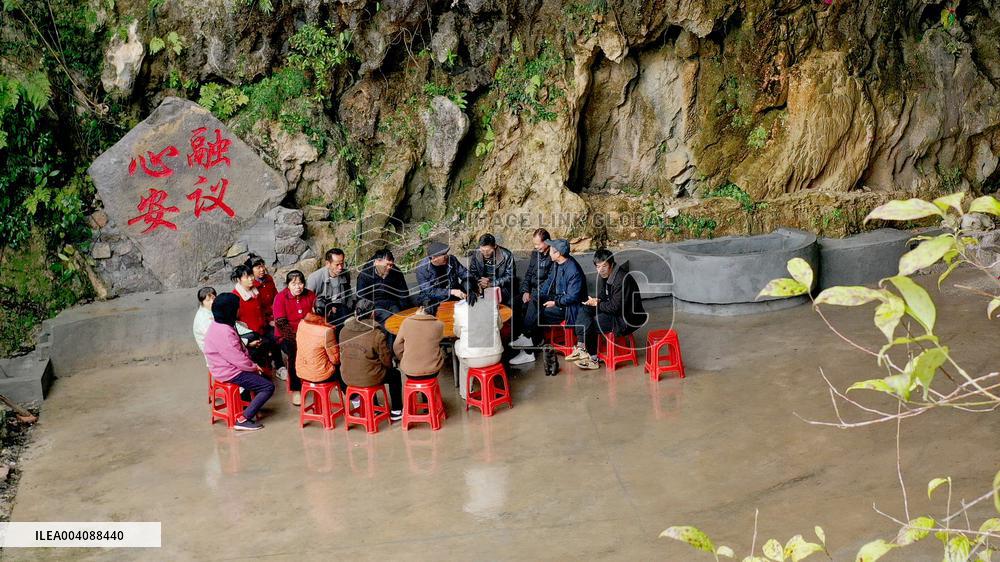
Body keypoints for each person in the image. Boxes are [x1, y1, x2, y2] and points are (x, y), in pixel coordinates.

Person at [509, 239, 589, 367]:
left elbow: (572, 297)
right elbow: (548, 283)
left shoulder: (573, 270)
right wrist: (540, 295)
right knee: (534, 301)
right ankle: (526, 337)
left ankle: (528, 350)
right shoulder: (558, 263)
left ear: (558, 253)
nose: (549, 252)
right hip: (558, 298)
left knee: (539, 314)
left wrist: (555, 303)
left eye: (551, 250)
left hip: (570, 308)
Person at [203, 293, 275, 431]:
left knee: (262, 377)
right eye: (237, 308)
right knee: (267, 387)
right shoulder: (224, 332)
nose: (239, 310)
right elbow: (237, 358)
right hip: (229, 371)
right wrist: (254, 367)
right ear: (230, 310)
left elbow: (239, 351)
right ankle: (243, 419)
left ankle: (250, 406)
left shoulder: (218, 325)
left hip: (226, 367)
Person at [574, 249, 648, 369]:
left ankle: (593, 359)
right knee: (585, 309)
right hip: (615, 311)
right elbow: (604, 295)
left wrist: (598, 304)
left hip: (626, 318)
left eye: (604, 266)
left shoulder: (621, 279)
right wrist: (596, 300)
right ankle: (581, 346)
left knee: (592, 323)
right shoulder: (607, 275)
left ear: (611, 264)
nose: (601, 270)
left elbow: (615, 308)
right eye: (598, 267)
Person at [338, 298, 403, 421]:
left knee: (366, 365)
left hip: (347, 377)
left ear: (355, 313)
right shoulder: (377, 334)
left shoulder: (343, 331)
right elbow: (386, 360)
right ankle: (396, 411)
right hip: (369, 378)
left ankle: (373, 406)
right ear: (373, 314)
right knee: (394, 375)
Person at [272, 270, 317, 405]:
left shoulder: (310, 294)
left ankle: (318, 378)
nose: (298, 287)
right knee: (294, 353)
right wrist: (297, 338)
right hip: (287, 336)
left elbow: (316, 315)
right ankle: (296, 389)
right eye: (294, 284)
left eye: (300, 283)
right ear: (288, 285)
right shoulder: (280, 298)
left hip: (308, 333)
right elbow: (281, 323)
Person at [454, 290, 504, 399]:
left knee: (458, 345)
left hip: (474, 360)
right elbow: (500, 326)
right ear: (479, 290)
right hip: (496, 356)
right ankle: (490, 387)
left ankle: (466, 393)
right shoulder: (492, 303)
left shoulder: (459, 308)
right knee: (465, 349)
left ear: (463, 293)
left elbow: (457, 333)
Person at [511, 228, 553, 349]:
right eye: (534, 244)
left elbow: (550, 281)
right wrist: (526, 291)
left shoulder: (553, 255)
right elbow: (529, 274)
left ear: (547, 241)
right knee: (514, 302)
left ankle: (528, 337)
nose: (536, 247)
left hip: (545, 293)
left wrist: (534, 293)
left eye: (538, 244)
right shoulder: (535, 254)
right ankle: (517, 336)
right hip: (532, 290)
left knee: (533, 302)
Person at [232, 265, 277, 371]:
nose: (251, 279)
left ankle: (278, 366)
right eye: (246, 277)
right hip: (250, 334)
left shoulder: (255, 291)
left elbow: (263, 309)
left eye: (251, 275)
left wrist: (269, 321)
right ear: (239, 280)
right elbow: (234, 322)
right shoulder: (235, 297)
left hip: (263, 327)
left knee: (276, 338)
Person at [295, 304, 345, 396]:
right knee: (344, 367)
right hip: (320, 375)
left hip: (302, 372)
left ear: (313, 309)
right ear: (329, 312)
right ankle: (354, 398)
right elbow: (335, 360)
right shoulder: (326, 331)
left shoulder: (302, 323)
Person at [393, 300, 445, 383]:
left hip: (410, 371)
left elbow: (396, 345)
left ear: (421, 308)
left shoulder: (406, 322)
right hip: (432, 371)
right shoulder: (439, 325)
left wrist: (403, 359)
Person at [356, 249, 411, 325]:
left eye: (391, 265)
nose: (389, 267)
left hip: (392, 303)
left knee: (399, 317)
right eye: (386, 265)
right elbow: (362, 298)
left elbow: (403, 293)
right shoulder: (365, 275)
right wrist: (369, 312)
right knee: (387, 318)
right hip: (374, 306)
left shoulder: (396, 272)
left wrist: (404, 310)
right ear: (377, 262)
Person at [306, 248, 355, 327]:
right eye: (337, 264)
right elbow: (308, 301)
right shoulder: (314, 278)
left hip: (341, 306)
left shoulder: (345, 273)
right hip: (323, 309)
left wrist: (350, 306)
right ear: (327, 264)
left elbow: (348, 291)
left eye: (342, 263)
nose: (340, 267)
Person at [468, 233, 516, 306]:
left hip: (500, 286)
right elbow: (472, 272)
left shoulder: (507, 255)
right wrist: (479, 282)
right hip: (482, 285)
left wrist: (491, 284)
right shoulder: (477, 253)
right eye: (482, 250)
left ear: (495, 246)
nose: (485, 253)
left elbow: (510, 276)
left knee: (492, 301)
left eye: (488, 250)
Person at [415, 241, 468, 306]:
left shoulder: (451, 259)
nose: (446, 256)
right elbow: (429, 291)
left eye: (446, 253)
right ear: (434, 258)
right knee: (431, 306)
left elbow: (464, 272)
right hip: (433, 298)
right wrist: (451, 292)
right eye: (443, 254)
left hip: (453, 291)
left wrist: (471, 285)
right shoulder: (422, 269)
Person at [247, 254, 278, 325]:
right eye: (258, 268)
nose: (262, 269)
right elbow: (257, 308)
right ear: (251, 270)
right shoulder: (251, 285)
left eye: (263, 266)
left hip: (275, 313)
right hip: (263, 319)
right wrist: (269, 320)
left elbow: (276, 297)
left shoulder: (269, 278)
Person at [192, 287, 217, 357]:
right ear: (202, 302)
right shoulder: (203, 318)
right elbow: (213, 337)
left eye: (213, 298)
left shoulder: (210, 310)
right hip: (213, 353)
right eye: (208, 300)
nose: (212, 301)